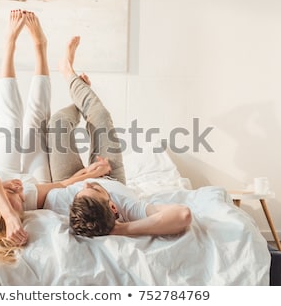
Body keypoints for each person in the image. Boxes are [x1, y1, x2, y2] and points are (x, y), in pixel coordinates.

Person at [0, 10, 110, 268]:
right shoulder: (26, 199)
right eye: (20, 201)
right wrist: (90, 174)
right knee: (37, 122)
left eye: (12, 193)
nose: (19, 191)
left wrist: (10, 211)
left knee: (11, 119)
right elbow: (63, 185)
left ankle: (9, 44)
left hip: (1, 170)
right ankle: (40, 47)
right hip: (35, 178)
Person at [44, 36, 192, 237]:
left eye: (83, 191)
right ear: (113, 207)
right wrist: (123, 228)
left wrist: (83, 179)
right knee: (101, 116)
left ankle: (77, 91)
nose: (88, 184)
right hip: (111, 174)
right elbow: (183, 215)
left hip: (69, 180)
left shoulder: (64, 200)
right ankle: (71, 76)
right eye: (95, 190)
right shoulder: (128, 205)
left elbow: (41, 192)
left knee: (58, 123)